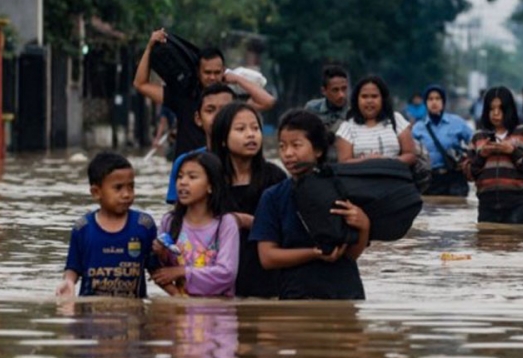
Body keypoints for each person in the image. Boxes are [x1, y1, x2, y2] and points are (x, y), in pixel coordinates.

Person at [250, 109, 371, 300]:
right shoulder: (273, 197)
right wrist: (313, 254)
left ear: (318, 150)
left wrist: (364, 225)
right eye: (282, 146)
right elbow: (268, 257)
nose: (288, 153)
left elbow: (350, 255)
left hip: (345, 293)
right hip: (297, 295)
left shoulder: (341, 188)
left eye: (296, 145)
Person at [133, 28, 275, 160]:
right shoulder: (183, 97)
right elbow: (141, 84)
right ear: (198, 72)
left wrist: (237, 79)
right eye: (207, 73)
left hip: (220, 169)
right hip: (188, 171)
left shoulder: (230, 100)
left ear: (223, 71)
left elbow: (268, 102)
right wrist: (150, 47)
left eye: (217, 72)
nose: (212, 77)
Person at [210, 101, 287, 298]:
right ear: (223, 139)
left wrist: (248, 222)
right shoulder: (210, 179)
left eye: (255, 128)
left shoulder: (274, 177)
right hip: (220, 277)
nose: (251, 134)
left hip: (265, 277)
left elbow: (286, 230)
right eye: (240, 129)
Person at [55, 152, 157, 298]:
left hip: (133, 315)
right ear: (96, 192)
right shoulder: (82, 228)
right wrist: (68, 282)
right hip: (90, 315)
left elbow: (156, 271)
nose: (127, 194)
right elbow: (73, 267)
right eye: (118, 188)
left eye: (131, 187)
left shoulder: (144, 225)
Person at [152, 152, 240, 297]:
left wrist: (182, 271)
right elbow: (158, 270)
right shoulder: (169, 221)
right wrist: (161, 254)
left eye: (192, 177)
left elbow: (227, 274)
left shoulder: (226, 223)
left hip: (218, 311)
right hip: (179, 309)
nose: (183, 182)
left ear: (210, 186)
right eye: (180, 176)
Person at [465, 86, 523, 224]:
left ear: (509, 109)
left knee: (515, 242)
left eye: (500, 109)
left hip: (518, 202)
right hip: (486, 202)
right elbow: (469, 174)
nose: (496, 113)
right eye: (491, 109)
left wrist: (512, 151)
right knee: (485, 243)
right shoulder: (478, 136)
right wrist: (482, 155)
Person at [165, 83, 236, 204]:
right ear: (198, 118)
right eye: (210, 110)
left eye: (225, 110)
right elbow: (179, 213)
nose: (218, 116)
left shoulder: (247, 160)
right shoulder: (185, 163)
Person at [335, 75, 416, 167]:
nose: (369, 101)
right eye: (364, 96)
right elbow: (343, 162)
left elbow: (410, 155)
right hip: (359, 180)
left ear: (382, 99)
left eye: (374, 96)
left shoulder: (396, 119)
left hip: (394, 178)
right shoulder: (347, 127)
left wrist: (387, 161)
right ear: (357, 100)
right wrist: (368, 161)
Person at [411, 84, 473, 197]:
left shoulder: (457, 122)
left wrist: (467, 160)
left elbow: (475, 143)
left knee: (456, 209)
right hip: (429, 180)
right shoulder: (417, 128)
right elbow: (410, 152)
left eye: (438, 98)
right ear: (425, 103)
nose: (434, 102)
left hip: (454, 179)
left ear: (443, 102)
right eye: (430, 99)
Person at [304, 65, 349, 132]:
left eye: (344, 89)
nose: (341, 95)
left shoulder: (353, 112)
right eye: (335, 90)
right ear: (324, 91)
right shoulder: (312, 109)